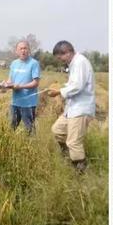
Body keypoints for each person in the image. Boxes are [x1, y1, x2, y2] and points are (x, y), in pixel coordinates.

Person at [48, 41, 96, 172]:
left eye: (60, 58)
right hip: (73, 108)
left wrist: (58, 92)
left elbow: (77, 86)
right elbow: (73, 83)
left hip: (81, 108)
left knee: (73, 142)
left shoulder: (80, 62)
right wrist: (60, 87)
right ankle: (68, 156)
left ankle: (80, 170)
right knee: (57, 131)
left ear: (67, 52)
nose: (60, 61)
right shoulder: (74, 63)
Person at [4, 40, 40, 134]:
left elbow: (35, 83)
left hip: (28, 103)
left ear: (29, 50)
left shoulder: (34, 63)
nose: (23, 51)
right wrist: (5, 84)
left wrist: (20, 86)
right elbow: (10, 80)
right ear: (16, 51)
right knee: (11, 128)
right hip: (15, 102)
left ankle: (32, 147)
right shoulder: (14, 63)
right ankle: (10, 147)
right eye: (21, 49)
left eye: (25, 48)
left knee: (30, 130)